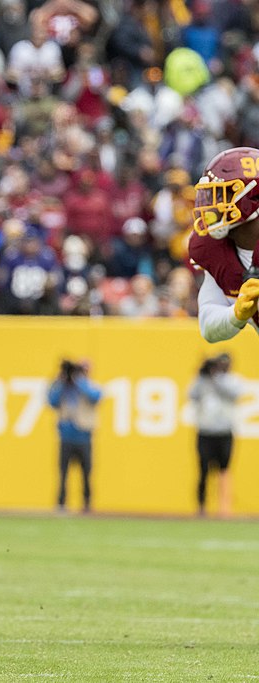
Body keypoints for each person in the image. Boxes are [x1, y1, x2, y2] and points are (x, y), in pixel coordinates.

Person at [189, 147, 259, 343]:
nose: (211, 205)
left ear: (253, 198)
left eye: (221, 195)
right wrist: (236, 313)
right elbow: (208, 326)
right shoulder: (213, 248)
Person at [188, 354, 242, 518]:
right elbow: (192, 394)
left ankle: (224, 508)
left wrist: (216, 377)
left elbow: (234, 393)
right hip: (205, 431)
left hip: (224, 431)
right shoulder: (203, 381)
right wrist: (201, 374)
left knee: (224, 469)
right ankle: (201, 507)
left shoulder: (231, 380)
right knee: (203, 470)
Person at [47, 359, 102, 513]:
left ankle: (87, 504)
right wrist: (60, 380)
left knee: (86, 473)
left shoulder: (90, 385)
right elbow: (51, 400)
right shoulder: (63, 388)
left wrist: (79, 381)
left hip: (84, 436)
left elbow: (95, 396)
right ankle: (61, 504)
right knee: (63, 473)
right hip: (66, 436)